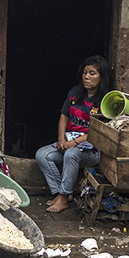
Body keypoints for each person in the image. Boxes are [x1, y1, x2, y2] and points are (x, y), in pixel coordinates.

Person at [35, 55, 111, 212]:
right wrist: (61, 138)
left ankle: (63, 197)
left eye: (92, 73)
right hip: (69, 142)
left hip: (92, 150)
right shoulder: (75, 93)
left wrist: (73, 144)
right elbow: (64, 115)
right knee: (42, 154)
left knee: (71, 154)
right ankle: (60, 193)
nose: (87, 77)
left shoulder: (105, 101)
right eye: (85, 72)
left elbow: (97, 131)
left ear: (101, 76)